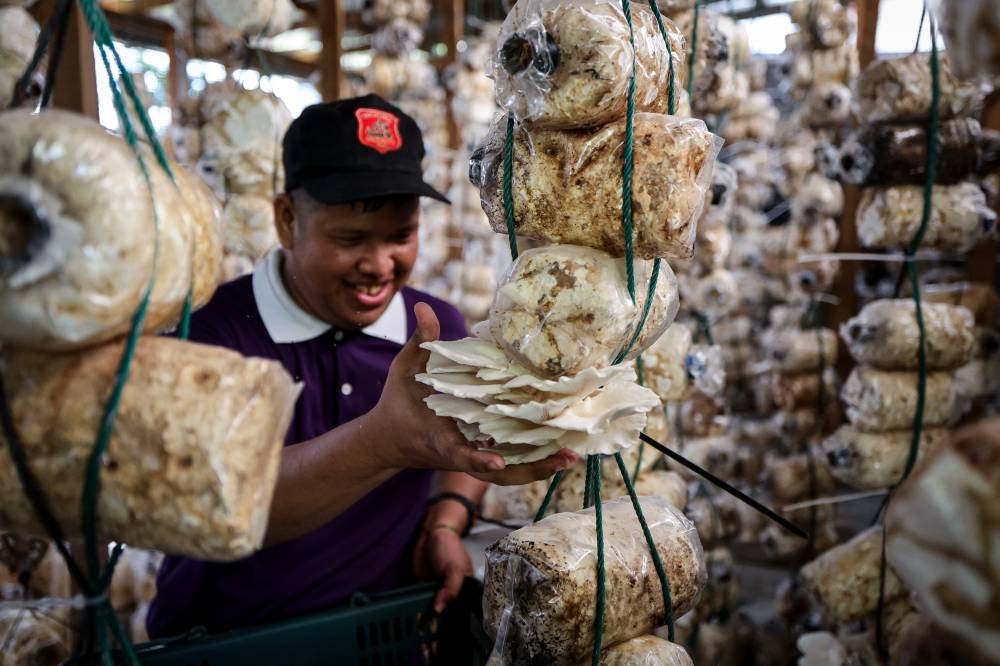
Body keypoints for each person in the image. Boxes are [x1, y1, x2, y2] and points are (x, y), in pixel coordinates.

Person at [146, 95, 578, 637]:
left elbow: (461, 440)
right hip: (227, 640)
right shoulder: (210, 336)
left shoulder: (433, 330)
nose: (378, 266)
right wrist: (381, 441)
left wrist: (445, 519)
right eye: (349, 239)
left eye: (400, 237)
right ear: (286, 221)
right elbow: (208, 508)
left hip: (381, 631)